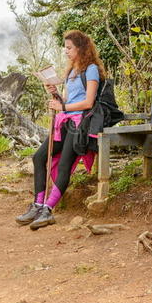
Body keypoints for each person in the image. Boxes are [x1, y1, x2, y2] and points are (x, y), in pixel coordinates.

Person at [16, 30, 106, 230]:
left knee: (65, 164)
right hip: (63, 122)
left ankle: (48, 210)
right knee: (39, 157)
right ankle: (37, 205)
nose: (66, 51)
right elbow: (67, 101)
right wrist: (56, 95)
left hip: (79, 124)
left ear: (81, 48)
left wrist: (63, 108)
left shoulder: (90, 69)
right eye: (65, 47)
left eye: (69, 47)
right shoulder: (70, 72)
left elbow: (88, 102)